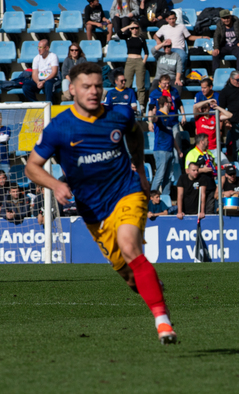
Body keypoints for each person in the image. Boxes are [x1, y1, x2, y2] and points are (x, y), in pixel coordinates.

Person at [24, 62, 177, 345]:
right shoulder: (60, 128)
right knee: (130, 278)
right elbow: (32, 166)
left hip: (126, 192)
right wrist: (56, 184)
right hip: (93, 210)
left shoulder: (118, 114)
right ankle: (150, 287)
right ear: (72, 90)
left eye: (97, 86)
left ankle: (162, 321)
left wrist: (140, 169)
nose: (93, 92)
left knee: (130, 246)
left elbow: (135, 133)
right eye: (86, 86)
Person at [151, 96, 183, 196]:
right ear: (165, 103)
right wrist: (153, 113)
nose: (171, 104)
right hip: (161, 150)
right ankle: (151, 199)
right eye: (170, 102)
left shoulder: (169, 117)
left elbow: (171, 136)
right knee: (159, 175)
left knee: (168, 177)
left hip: (170, 150)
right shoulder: (159, 114)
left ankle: (165, 199)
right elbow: (153, 119)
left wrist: (178, 150)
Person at [148, 74, 186, 150]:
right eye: (164, 83)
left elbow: (179, 104)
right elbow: (150, 109)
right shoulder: (154, 93)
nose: (167, 85)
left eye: (168, 83)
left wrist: (183, 116)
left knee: (177, 144)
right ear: (159, 83)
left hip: (173, 121)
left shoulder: (174, 91)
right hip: (161, 123)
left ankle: (177, 160)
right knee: (164, 144)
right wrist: (150, 122)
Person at [183, 134, 217, 215]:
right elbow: (187, 171)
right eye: (207, 140)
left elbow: (214, 167)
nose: (208, 142)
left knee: (210, 211)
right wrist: (202, 170)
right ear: (201, 142)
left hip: (210, 186)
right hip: (198, 187)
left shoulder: (209, 153)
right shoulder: (191, 154)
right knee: (199, 211)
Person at [119, 22, 149, 107]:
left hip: (139, 60)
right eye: (132, 28)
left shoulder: (141, 39)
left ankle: (141, 104)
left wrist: (143, 62)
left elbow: (146, 52)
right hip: (130, 61)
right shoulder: (127, 38)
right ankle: (126, 101)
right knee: (127, 83)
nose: (134, 30)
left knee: (140, 85)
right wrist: (129, 25)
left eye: (136, 28)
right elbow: (119, 32)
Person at [22, 39, 60, 104]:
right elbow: (34, 74)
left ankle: (49, 105)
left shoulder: (53, 56)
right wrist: (38, 82)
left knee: (48, 84)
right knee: (26, 86)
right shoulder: (36, 58)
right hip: (39, 80)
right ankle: (36, 105)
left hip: (51, 79)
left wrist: (44, 81)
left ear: (47, 48)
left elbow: (54, 72)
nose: (39, 49)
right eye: (38, 47)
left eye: (41, 47)